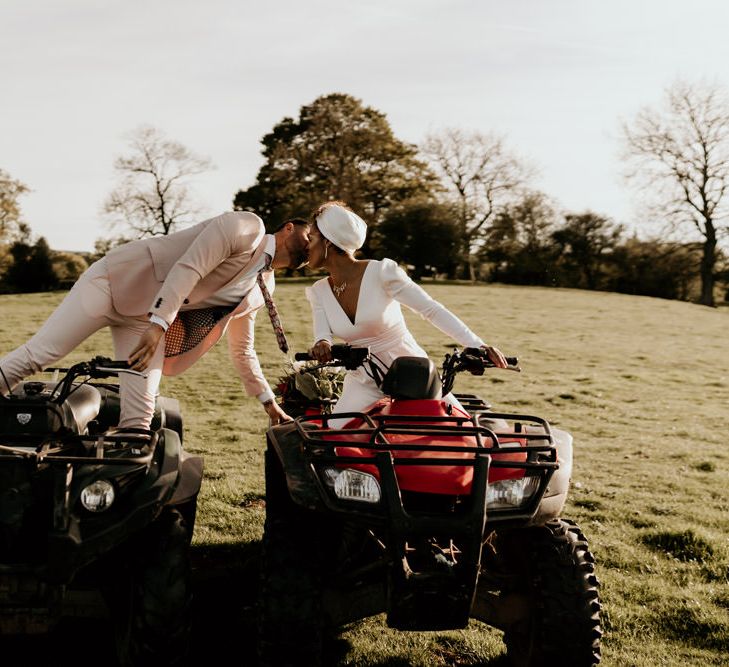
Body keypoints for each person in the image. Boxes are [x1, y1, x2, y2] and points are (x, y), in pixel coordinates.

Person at [0, 211, 309, 428]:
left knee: (141, 411)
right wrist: (160, 324)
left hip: (144, 321)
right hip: (112, 283)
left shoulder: (264, 287)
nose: (312, 246)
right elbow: (189, 268)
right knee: (40, 355)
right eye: (310, 235)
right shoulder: (247, 226)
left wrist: (269, 402)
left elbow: (243, 350)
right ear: (288, 228)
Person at [305, 201, 507, 423]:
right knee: (334, 435)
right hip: (363, 379)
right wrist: (322, 343)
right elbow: (322, 334)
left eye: (311, 237)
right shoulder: (319, 290)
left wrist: (477, 344)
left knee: (460, 432)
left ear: (328, 241)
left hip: (413, 373)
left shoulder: (382, 271)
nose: (306, 245)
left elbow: (430, 309)